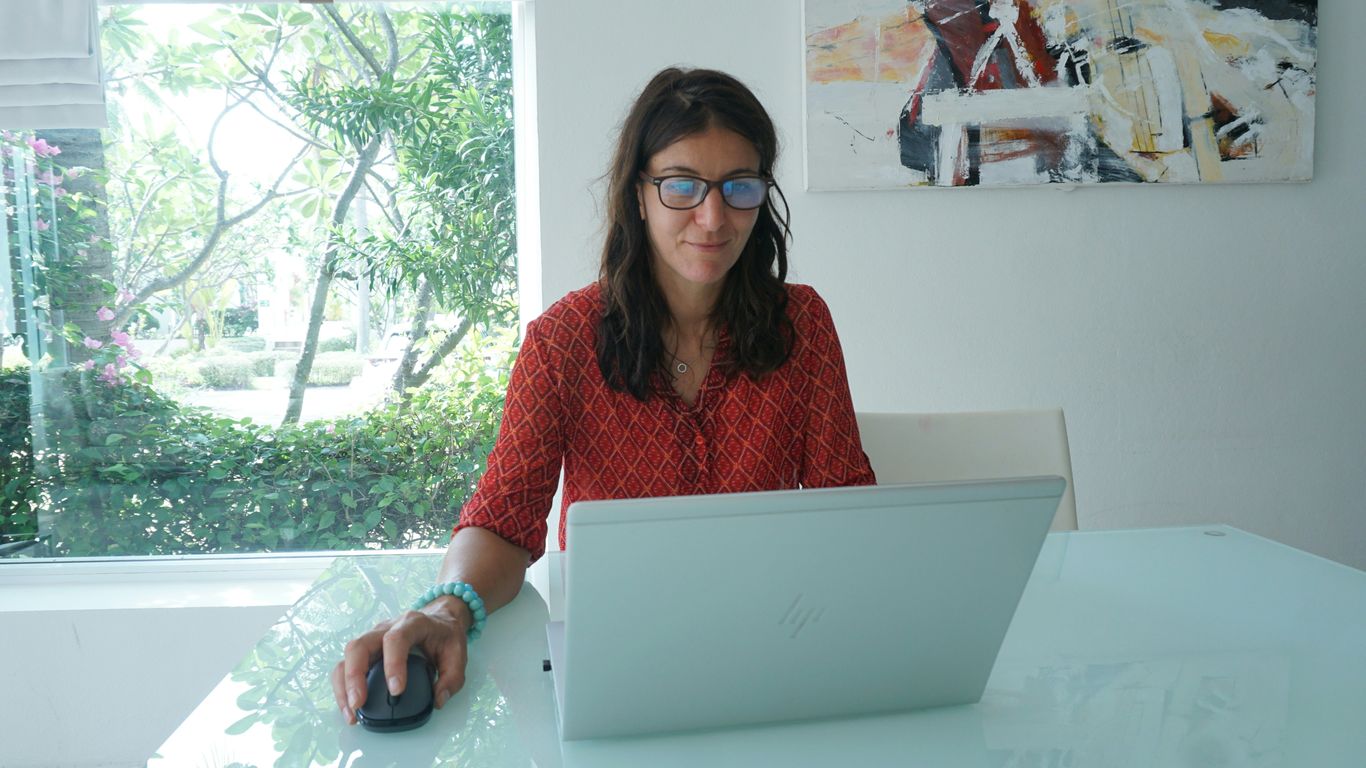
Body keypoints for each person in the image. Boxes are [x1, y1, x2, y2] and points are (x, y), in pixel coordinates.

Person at [331, 66, 876, 725]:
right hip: (614, 667)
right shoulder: (561, 340)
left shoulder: (803, 325)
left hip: (770, 656)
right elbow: (506, 518)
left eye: (740, 186)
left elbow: (847, 513)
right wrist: (443, 609)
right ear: (639, 194)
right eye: (682, 185)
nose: (713, 216)